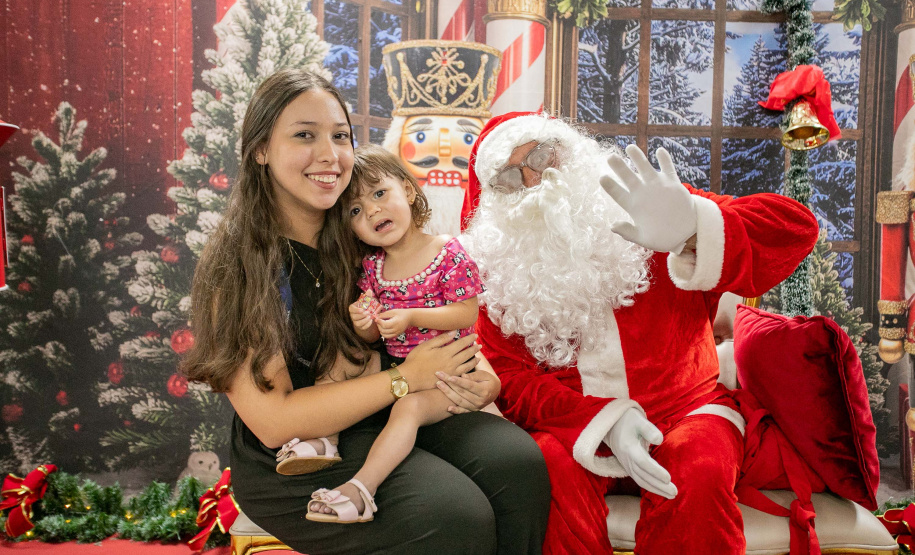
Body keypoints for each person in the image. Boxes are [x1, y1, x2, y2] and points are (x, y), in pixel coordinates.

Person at [182, 71, 550, 554]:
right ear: (261, 150)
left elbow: (430, 313)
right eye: (304, 135)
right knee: (453, 514)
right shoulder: (239, 266)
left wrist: (480, 375)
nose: (329, 155)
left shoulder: (366, 234)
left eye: (340, 136)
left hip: (389, 411)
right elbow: (273, 421)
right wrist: (407, 378)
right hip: (295, 450)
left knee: (516, 464)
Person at [460, 112, 819, 554]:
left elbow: (796, 228)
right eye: (510, 176)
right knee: (547, 470)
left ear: (569, 150)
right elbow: (510, 378)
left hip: (686, 409)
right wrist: (602, 420)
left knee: (700, 467)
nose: (534, 178)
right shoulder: (499, 269)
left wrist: (692, 229)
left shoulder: (653, 213)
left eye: (539, 155)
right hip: (574, 424)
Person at [288, 144, 487, 524]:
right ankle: (324, 439)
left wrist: (411, 316)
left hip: (448, 372)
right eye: (356, 210)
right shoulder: (373, 267)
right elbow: (372, 338)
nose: (372, 210)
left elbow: (467, 312)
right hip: (401, 365)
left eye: (380, 193)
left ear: (408, 191)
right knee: (346, 357)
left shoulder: (447, 252)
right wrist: (364, 323)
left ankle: (362, 490)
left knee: (407, 409)